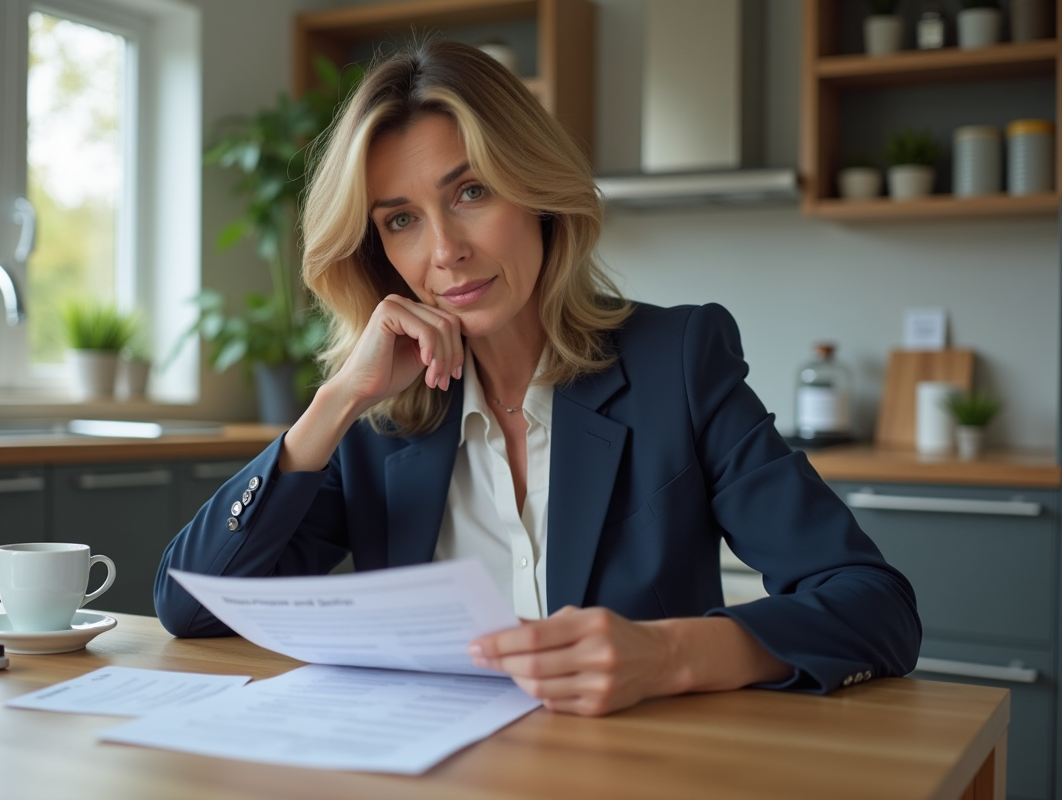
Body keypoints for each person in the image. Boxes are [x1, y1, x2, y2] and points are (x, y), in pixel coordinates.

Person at [155, 39, 920, 717]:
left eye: (471, 192)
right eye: (400, 219)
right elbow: (187, 606)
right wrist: (334, 403)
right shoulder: (375, 418)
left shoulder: (677, 361)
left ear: (538, 194)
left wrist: (672, 656)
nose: (444, 250)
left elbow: (874, 607)